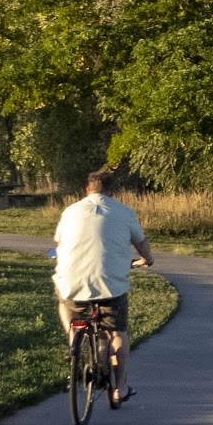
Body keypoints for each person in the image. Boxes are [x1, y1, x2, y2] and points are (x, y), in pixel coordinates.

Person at [52, 167, 154, 406]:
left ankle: (73, 335)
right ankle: (120, 388)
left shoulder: (70, 211)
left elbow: (59, 240)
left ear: (87, 189)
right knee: (117, 333)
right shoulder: (124, 212)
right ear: (111, 191)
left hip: (73, 282)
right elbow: (140, 241)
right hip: (110, 286)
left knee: (64, 301)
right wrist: (147, 259)